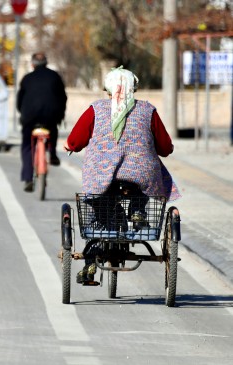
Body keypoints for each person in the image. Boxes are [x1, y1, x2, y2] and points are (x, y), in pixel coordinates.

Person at [63, 66, 181, 283]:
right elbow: (164, 147)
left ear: (107, 88)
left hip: (102, 174)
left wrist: (69, 145)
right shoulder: (148, 110)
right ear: (133, 88)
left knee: (100, 205)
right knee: (144, 178)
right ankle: (138, 210)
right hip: (140, 173)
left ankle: (92, 260)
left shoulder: (96, 109)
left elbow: (76, 140)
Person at [17, 52, 67, 192]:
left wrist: (22, 113)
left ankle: (27, 178)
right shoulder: (55, 76)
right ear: (46, 63)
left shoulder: (27, 78)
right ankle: (52, 154)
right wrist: (61, 114)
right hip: (50, 117)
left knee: (27, 145)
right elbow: (63, 97)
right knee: (53, 130)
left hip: (30, 118)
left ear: (32, 64)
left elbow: (19, 100)